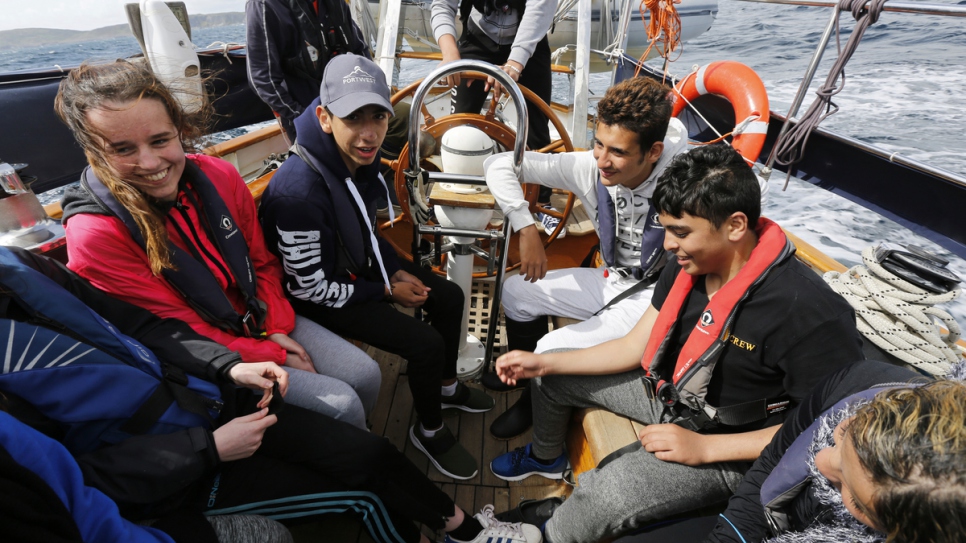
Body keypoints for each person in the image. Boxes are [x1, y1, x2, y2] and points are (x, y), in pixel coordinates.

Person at [0, 245, 543, 543]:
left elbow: (144, 327)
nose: (151, 160)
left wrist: (229, 366)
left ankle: (465, 531)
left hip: (212, 402)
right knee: (367, 499)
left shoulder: (22, 267)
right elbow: (65, 483)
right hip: (180, 474)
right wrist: (208, 450)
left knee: (371, 452)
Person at [489, 144, 865, 543]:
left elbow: (826, 430)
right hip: (671, 396)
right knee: (552, 370)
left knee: (608, 493)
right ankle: (547, 458)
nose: (667, 244)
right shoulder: (688, 266)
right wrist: (543, 363)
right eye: (666, 228)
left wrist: (704, 449)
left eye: (680, 232)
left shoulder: (809, 312)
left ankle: (545, 536)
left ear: (735, 226)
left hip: (733, 446)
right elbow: (634, 346)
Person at [58, 60, 380, 430]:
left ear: (179, 130)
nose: (149, 162)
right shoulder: (96, 235)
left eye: (160, 140)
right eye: (123, 149)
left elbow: (261, 262)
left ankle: (361, 441)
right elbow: (173, 329)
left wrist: (275, 325)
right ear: (94, 152)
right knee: (341, 405)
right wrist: (271, 352)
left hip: (259, 318)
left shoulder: (219, 175)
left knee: (366, 374)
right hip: (202, 357)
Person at [259, 53, 495, 481]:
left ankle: (445, 387)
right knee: (425, 343)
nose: (369, 134)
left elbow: (365, 231)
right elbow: (310, 289)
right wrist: (386, 290)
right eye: (354, 119)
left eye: (378, 117)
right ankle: (429, 430)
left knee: (449, 296)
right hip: (317, 297)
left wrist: (393, 268)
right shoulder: (297, 195)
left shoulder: (354, 161)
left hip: (354, 268)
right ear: (325, 118)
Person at [480, 76, 694, 439]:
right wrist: (525, 226)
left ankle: (532, 407)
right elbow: (500, 164)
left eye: (618, 152)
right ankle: (525, 381)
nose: (603, 161)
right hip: (612, 279)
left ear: (653, 151)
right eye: (598, 144)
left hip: (656, 298)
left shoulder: (688, 181)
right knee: (515, 292)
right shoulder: (590, 167)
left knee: (550, 347)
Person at [431, 0, 557, 221]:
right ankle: (453, 191)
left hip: (530, 45)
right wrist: (450, 55)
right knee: (458, 125)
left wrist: (515, 63)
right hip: (476, 39)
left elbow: (540, 8)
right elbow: (442, 5)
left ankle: (541, 203)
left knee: (537, 128)